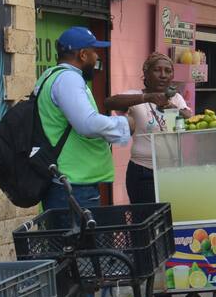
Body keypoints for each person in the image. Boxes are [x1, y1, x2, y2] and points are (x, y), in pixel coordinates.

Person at [38, 27, 131, 213]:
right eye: (94, 52)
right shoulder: (68, 79)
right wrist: (126, 125)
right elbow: (87, 124)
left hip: (72, 182)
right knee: (81, 242)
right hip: (72, 185)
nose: (96, 57)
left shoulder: (54, 76)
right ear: (82, 54)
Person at [106, 52, 191, 205]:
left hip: (172, 172)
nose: (163, 75)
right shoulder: (135, 96)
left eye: (168, 71)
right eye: (157, 70)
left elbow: (190, 118)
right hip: (143, 172)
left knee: (171, 221)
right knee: (146, 222)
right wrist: (147, 98)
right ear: (146, 73)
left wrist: (173, 109)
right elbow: (110, 102)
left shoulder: (176, 99)